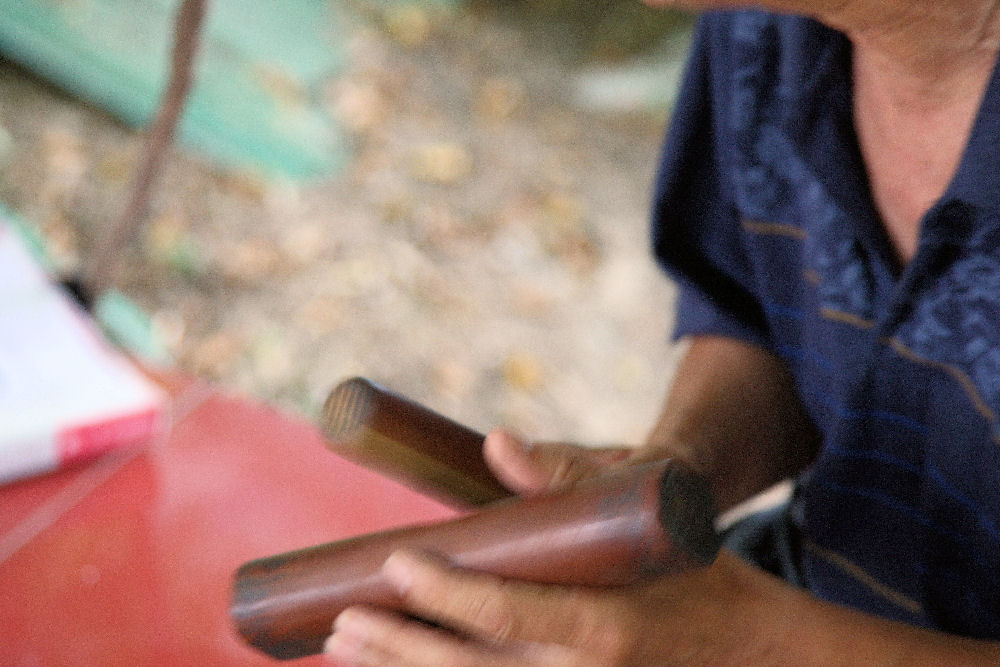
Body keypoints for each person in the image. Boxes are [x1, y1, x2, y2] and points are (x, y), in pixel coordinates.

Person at [324, 0, 1000, 663]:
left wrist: (749, 645)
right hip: (809, 581)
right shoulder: (769, 22)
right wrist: (674, 473)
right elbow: (766, 312)